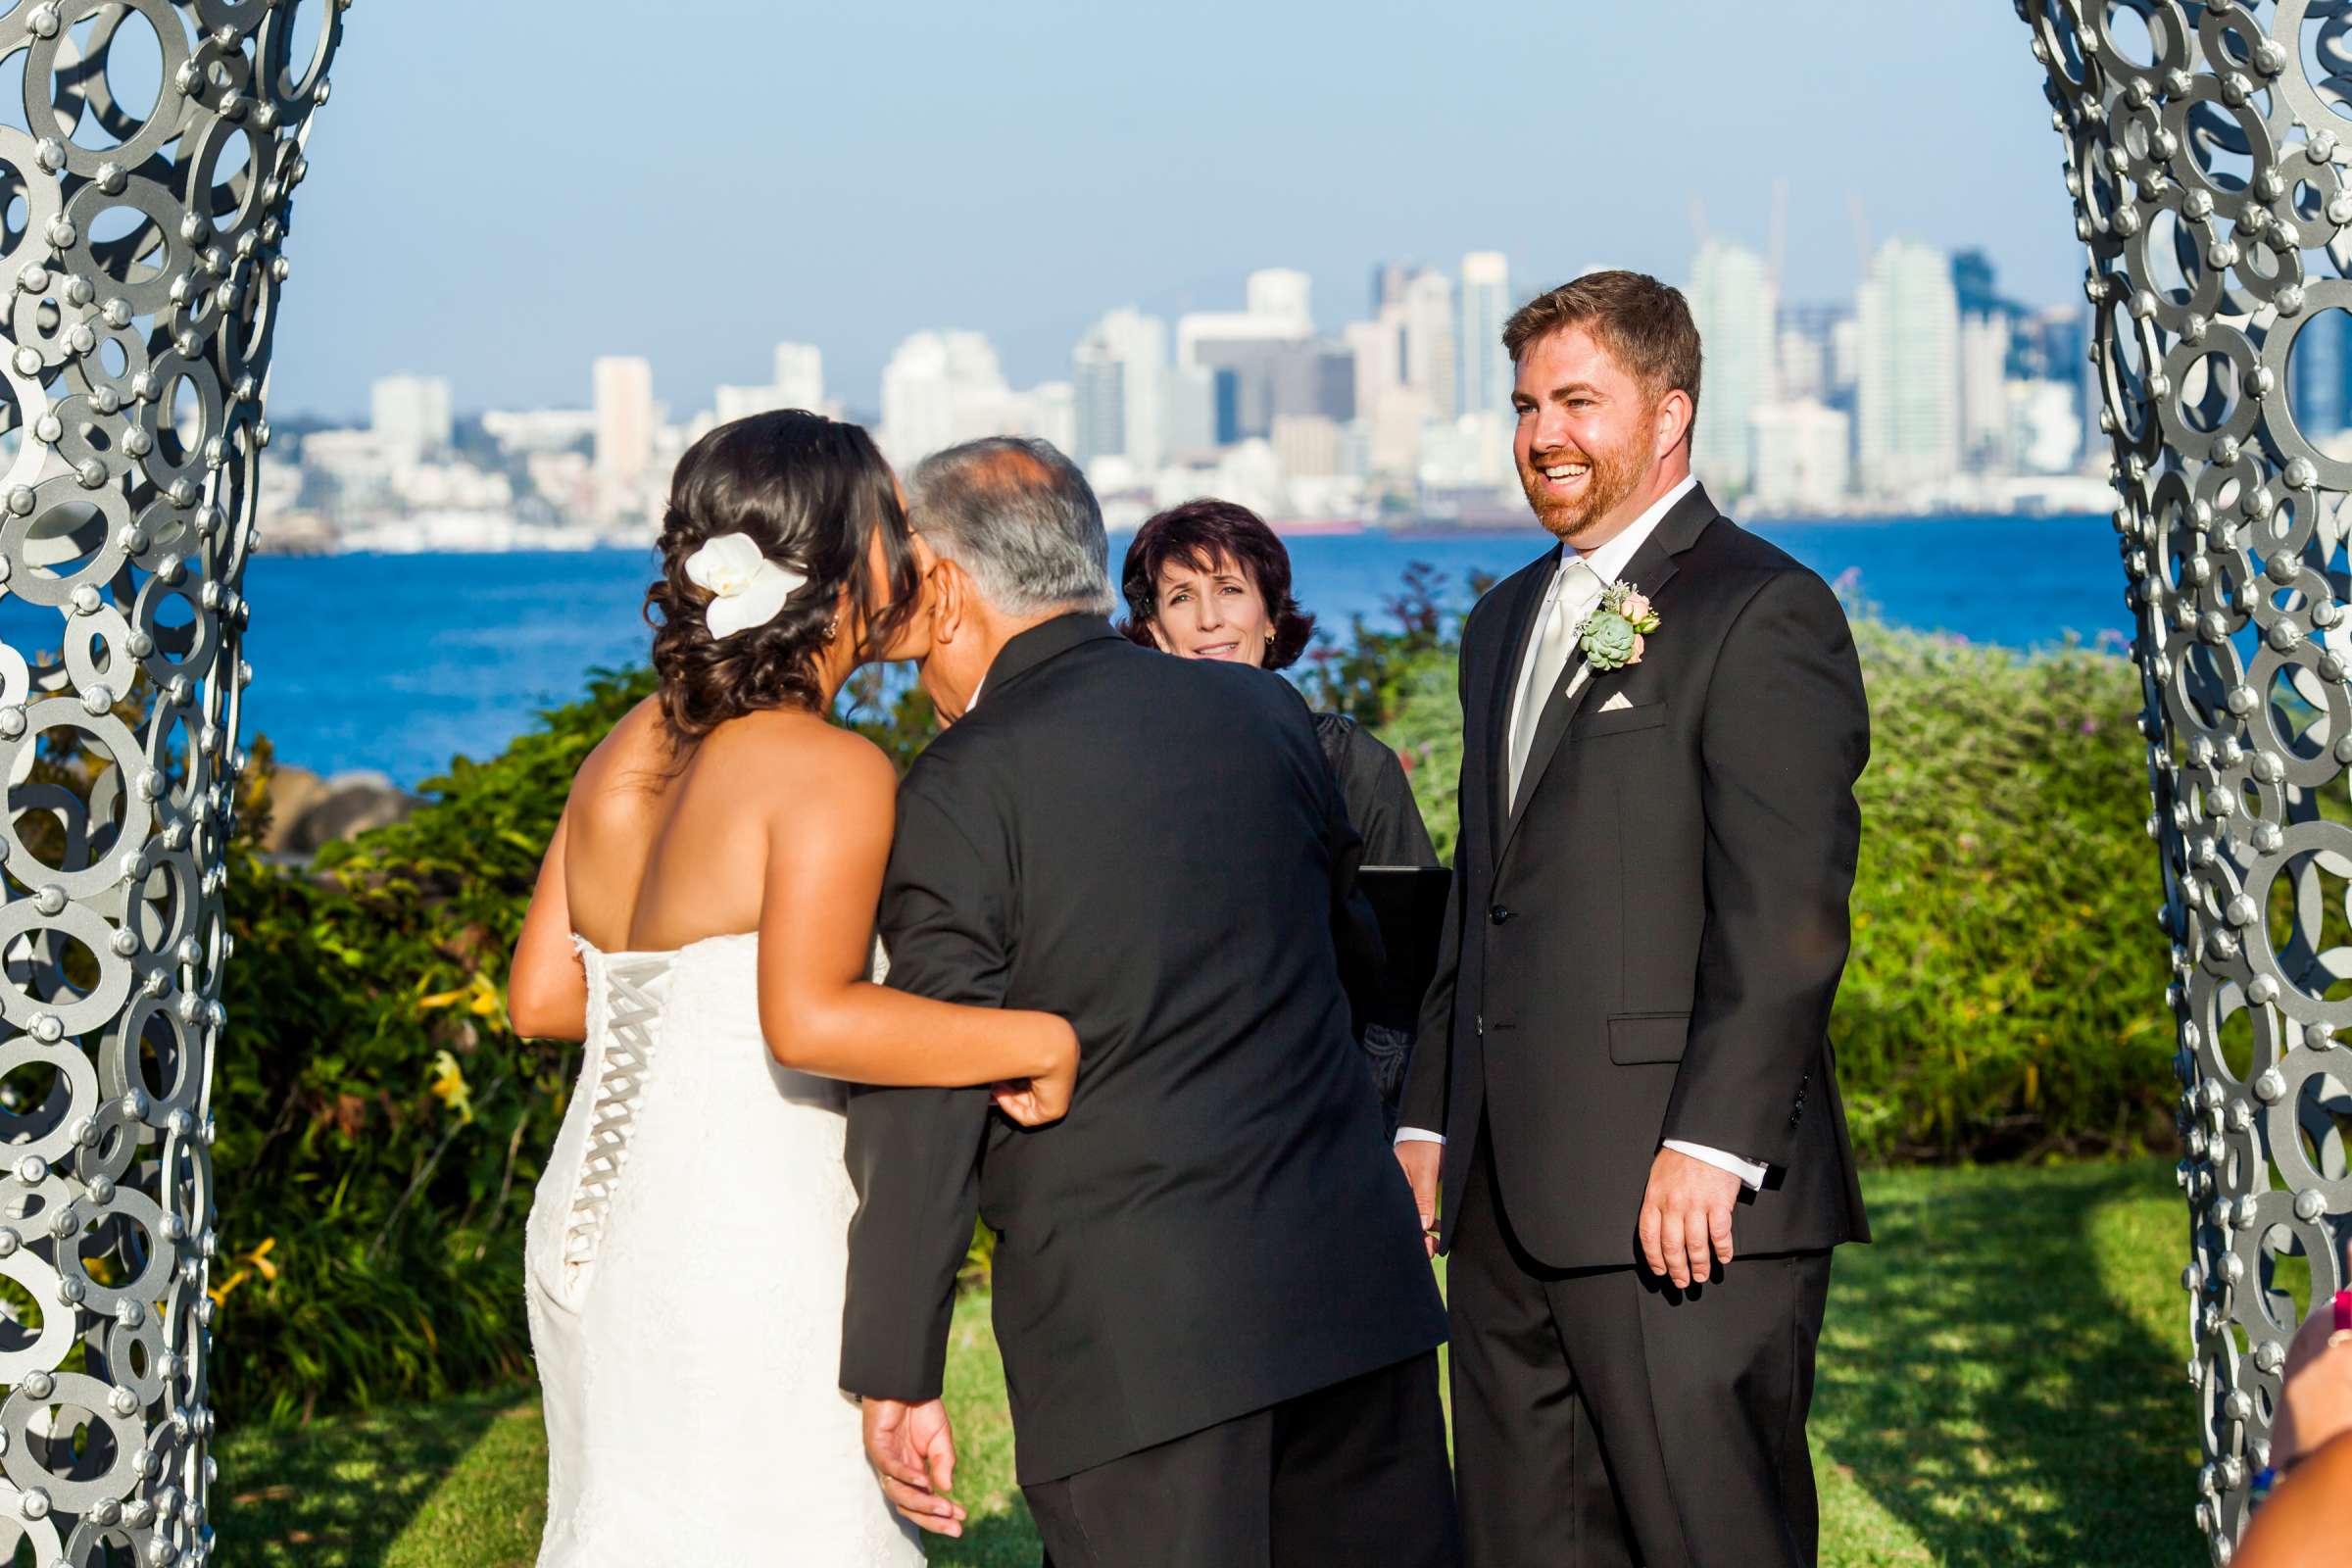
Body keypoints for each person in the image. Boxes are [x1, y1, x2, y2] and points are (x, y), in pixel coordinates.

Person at [840, 437, 1460, 1568]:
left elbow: (928, 1070)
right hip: (1350, 1293)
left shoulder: (965, 777)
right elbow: (1364, 968)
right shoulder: (1269, 720)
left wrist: (898, 1362)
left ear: (941, 581)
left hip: (1141, 1338)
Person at [504, 410, 1080, 1567]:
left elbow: (546, 1001)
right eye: (892, 525)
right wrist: (1034, 1038)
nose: (911, 557)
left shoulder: (629, 743)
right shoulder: (827, 767)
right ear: (845, 558)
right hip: (737, 1231)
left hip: (587, 1227)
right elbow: (807, 1015)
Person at [1396, 271, 1871, 1567]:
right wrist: (1433, 1112)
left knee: (1707, 1540)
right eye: (1527, 404)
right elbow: (1487, 894)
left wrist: (1711, 1146)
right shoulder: (1500, 625)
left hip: (1684, 1204)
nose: (1543, 433)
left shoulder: (1763, 609)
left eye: (1577, 401)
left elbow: (1787, 913)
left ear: (1668, 416)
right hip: (1504, 1203)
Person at [1117, 497, 1437, 867]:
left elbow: (1409, 914)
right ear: (1157, 631)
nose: (1209, 619)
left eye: (1229, 589)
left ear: (1270, 616)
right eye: (1182, 597)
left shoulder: (1347, 763)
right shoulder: (1126, 766)